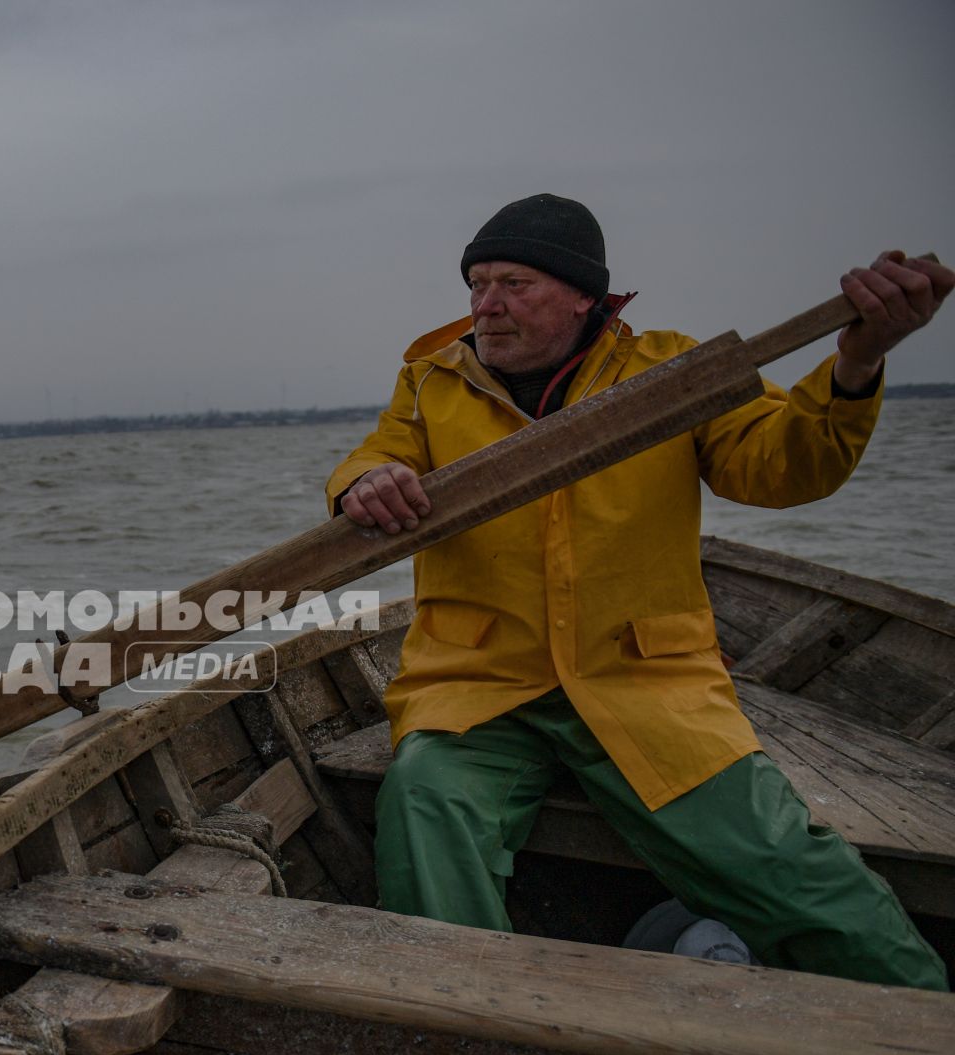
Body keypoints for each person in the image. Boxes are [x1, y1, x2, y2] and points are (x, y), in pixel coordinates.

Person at [327, 193, 951, 991]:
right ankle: (464, 1031)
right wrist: (365, 483)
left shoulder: (669, 371)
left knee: (784, 864)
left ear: (586, 295)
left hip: (644, 684)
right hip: (478, 684)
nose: (486, 305)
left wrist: (858, 362)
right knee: (421, 808)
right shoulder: (429, 382)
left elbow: (788, 464)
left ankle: (925, 1027)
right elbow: (373, 459)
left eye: (514, 284)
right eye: (478, 284)